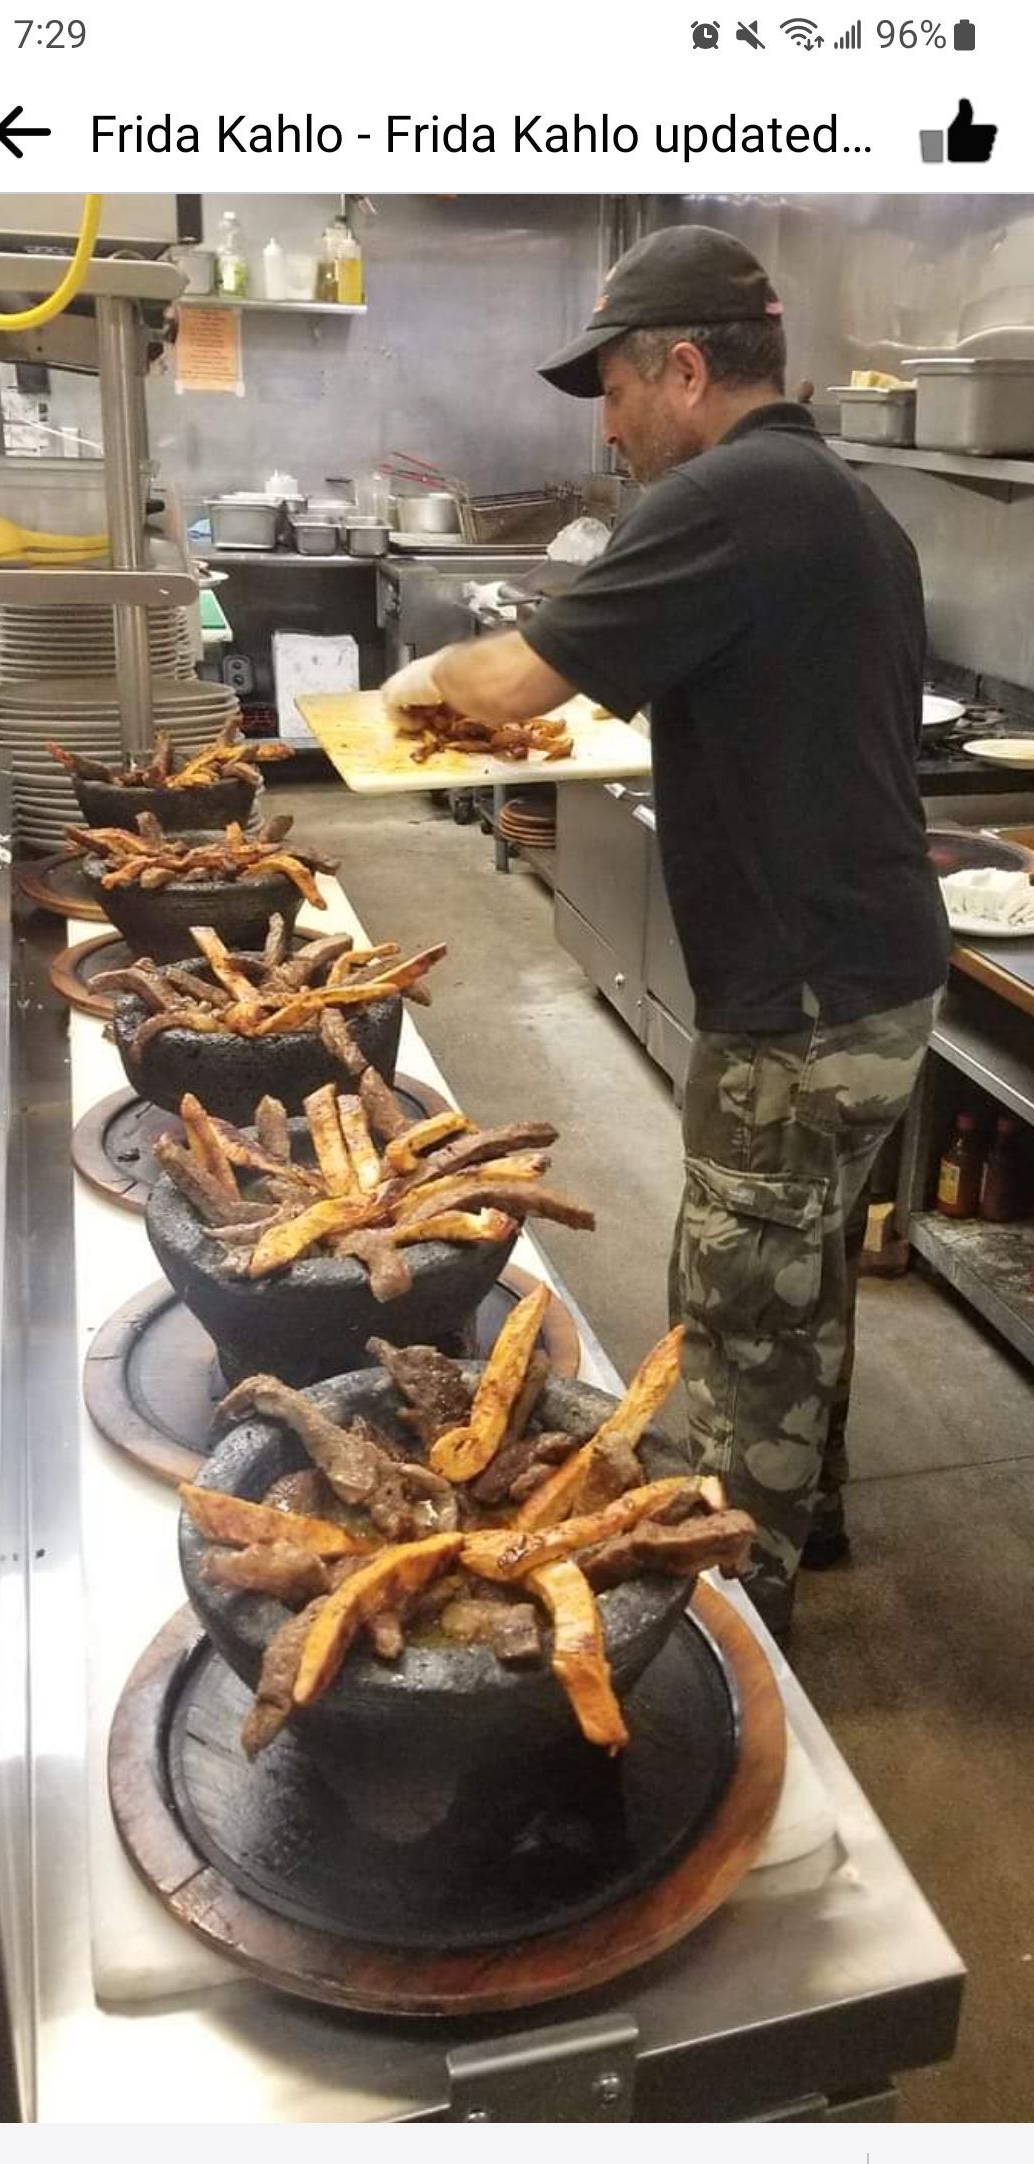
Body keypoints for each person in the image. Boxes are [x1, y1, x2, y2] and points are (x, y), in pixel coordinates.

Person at [381, 223, 949, 1639]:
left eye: (619, 392)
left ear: (687, 369)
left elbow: (513, 682)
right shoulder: (840, 502)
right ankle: (802, 1527)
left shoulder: (727, 500)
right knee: (802, 1261)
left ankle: (728, 1635)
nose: (613, 426)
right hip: (879, 984)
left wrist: (395, 699)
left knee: (738, 1310)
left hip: (805, 1006)